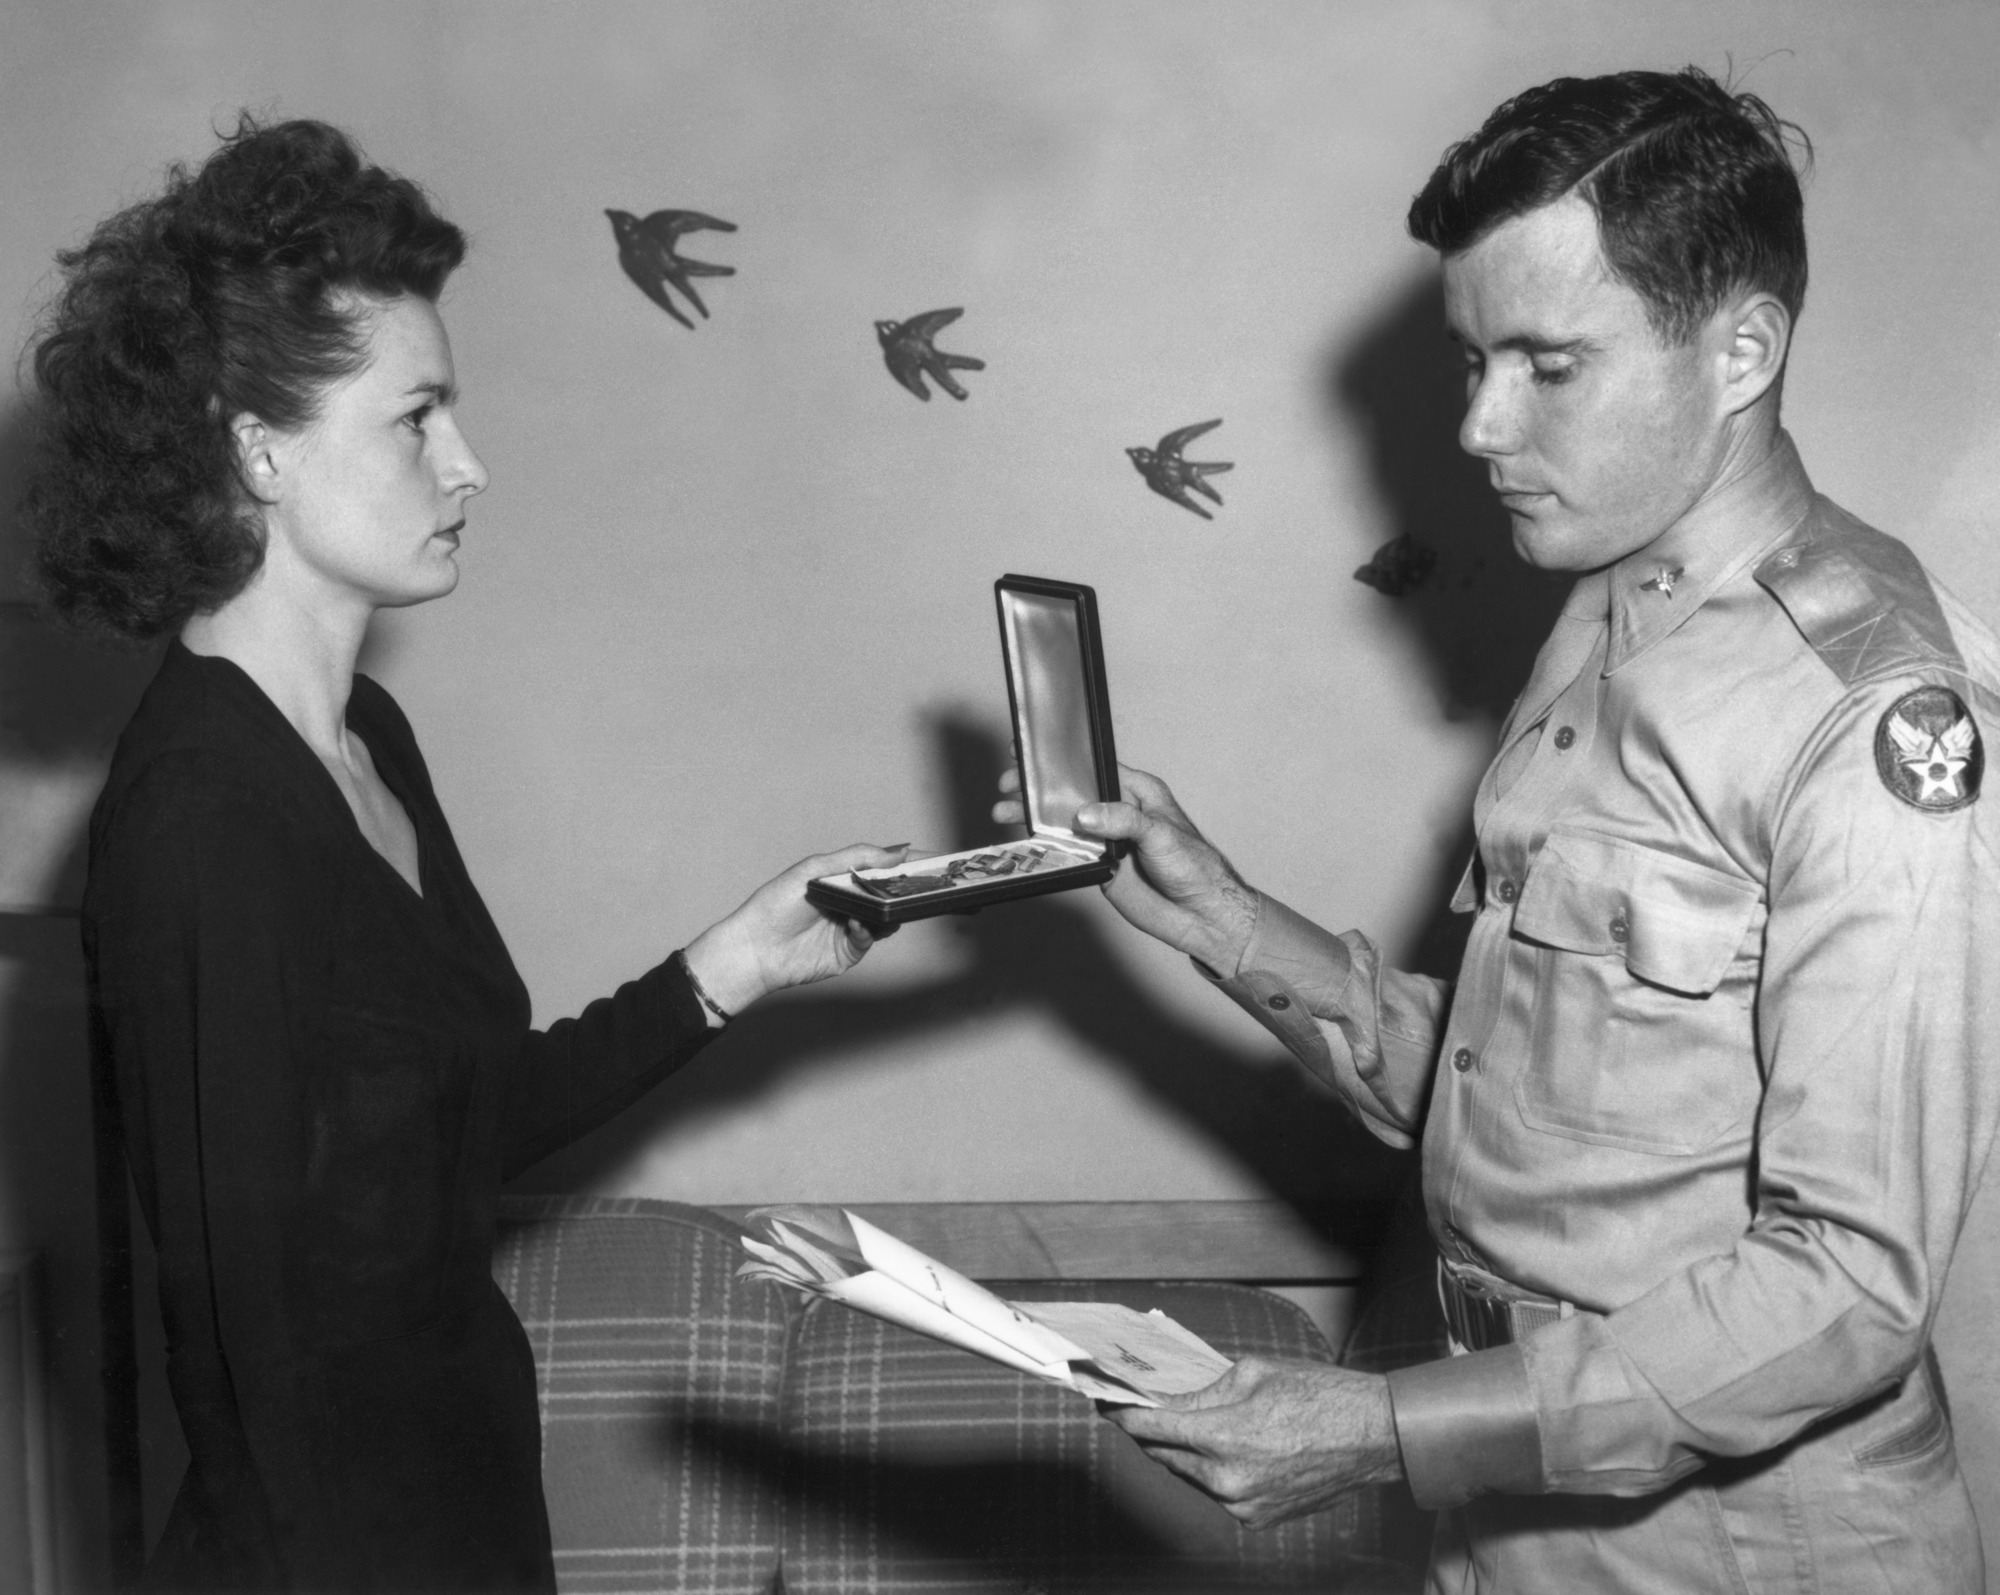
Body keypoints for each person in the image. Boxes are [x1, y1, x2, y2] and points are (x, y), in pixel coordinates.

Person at [1001, 68, 2000, 1590]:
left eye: (1548, 365)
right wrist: (1220, 918)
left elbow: (1850, 1289)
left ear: (1742, 348)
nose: (1477, 423)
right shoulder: (1603, 603)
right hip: (1515, 1523)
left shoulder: (1873, 714)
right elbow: (1522, 1106)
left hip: (1746, 1550)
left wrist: (1386, 1429)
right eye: (1474, 360)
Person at [26, 116, 905, 1591]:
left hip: (466, 1502)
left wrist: (733, 963)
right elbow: (253, 1366)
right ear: (260, 450)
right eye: (416, 418)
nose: (470, 464)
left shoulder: (363, 737)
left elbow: (458, 1131)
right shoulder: (200, 815)